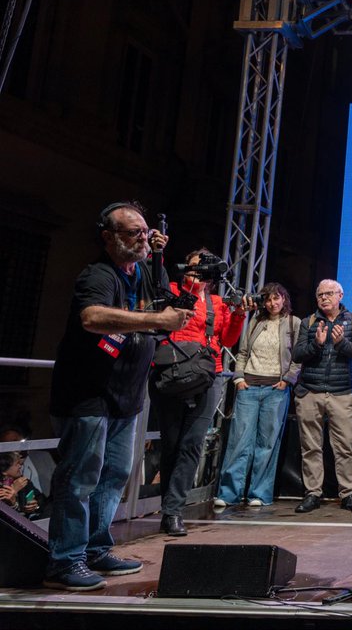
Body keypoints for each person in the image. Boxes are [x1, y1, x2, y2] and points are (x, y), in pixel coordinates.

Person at [44, 201, 191, 591]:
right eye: (133, 232)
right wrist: (155, 320)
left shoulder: (141, 272)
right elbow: (92, 317)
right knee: (80, 478)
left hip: (126, 395)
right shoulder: (98, 274)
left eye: (145, 231)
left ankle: (95, 549)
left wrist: (159, 257)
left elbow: (163, 301)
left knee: (113, 476)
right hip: (88, 394)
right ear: (109, 237)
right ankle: (65, 560)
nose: (143, 237)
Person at [151, 248, 252, 537]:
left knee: (192, 444)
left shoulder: (217, 302)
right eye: (195, 266)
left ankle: (173, 511)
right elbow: (155, 293)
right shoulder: (170, 291)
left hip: (208, 375)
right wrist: (158, 251)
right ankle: (168, 507)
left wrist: (238, 316)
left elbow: (228, 340)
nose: (199, 273)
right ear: (186, 267)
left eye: (204, 269)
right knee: (171, 444)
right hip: (170, 373)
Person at [215, 283, 302, 508]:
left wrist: (287, 380)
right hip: (249, 387)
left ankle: (259, 494)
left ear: (284, 299)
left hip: (276, 390)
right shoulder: (255, 321)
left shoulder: (294, 323)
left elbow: (298, 357)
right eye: (268, 299)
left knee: (267, 443)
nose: (272, 303)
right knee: (239, 440)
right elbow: (243, 352)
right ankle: (229, 493)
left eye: (276, 298)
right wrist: (239, 378)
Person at [291, 279, 352, 513]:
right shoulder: (309, 322)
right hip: (310, 392)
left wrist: (341, 343)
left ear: (340, 295)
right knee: (311, 446)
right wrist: (316, 344)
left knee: (345, 446)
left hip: (340, 393)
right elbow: (297, 354)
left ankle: (348, 493)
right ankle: (313, 493)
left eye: (329, 293)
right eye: (320, 294)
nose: (324, 298)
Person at [1, 450, 46, 519]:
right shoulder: (2, 490)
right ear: (4, 471)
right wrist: (14, 490)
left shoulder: (23, 482)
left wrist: (36, 505)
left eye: (20, 463)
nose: (20, 466)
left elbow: (41, 500)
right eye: (17, 464)